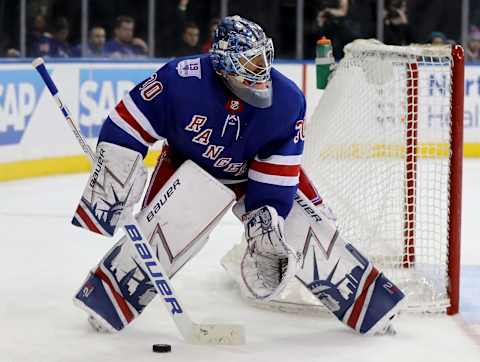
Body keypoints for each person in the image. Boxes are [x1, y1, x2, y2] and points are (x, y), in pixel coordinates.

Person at [72, 15, 404, 335]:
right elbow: (129, 122)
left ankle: (366, 303)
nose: (262, 69)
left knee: (307, 230)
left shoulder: (287, 101)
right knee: (160, 233)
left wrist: (267, 217)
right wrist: (115, 173)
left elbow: (280, 162)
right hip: (192, 167)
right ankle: (108, 297)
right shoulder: (181, 81)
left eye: (264, 57)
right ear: (223, 64)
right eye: (251, 62)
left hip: (254, 174)